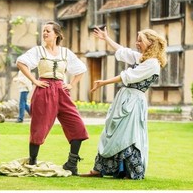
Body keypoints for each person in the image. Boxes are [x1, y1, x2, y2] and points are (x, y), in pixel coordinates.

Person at [80, 27, 167, 179]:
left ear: (151, 43)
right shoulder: (142, 58)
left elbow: (129, 76)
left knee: (128, 134)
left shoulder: (153, 63)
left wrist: (103, 82)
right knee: (111, 131)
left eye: (140, 40)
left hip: (134, 102)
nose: (137, 43)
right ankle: (99, 169)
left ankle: (130, 171)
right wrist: (106, 38)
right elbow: (123, 51)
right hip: (125, 97)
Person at [16, 21, 89, 176]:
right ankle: (32, 162)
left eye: (48, 31)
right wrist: (34, 81)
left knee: (77, 126)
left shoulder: (65, 52)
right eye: (43, 31)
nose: (44, 33)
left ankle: (72, 163)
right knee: (39, 127)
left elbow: (81, 69)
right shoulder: (38, 51)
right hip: (44, 90)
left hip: (62, 91)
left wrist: (71, 84)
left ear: (56, 34)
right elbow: (21, 62)